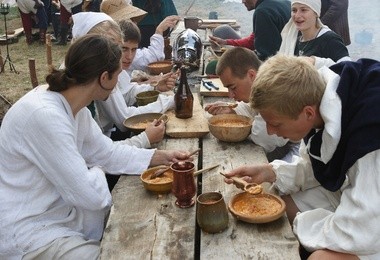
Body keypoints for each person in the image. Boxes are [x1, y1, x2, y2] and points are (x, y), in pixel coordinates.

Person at [0, 34, 192, 259]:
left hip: (59, 215)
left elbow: (106, 152)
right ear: (104, 78)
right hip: (28, 232)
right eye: (118, 74)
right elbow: (90, 194)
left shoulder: (74, 107)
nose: (120, 81)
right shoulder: (44, 116)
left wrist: (159, 156)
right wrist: (96, 169)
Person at [222, 53, 380, 259]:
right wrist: (269, 172)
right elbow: (319, 163)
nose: (270, 131)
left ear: (307, 113)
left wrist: (301, 222)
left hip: (371, 221)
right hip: (362, 195)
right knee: (278, 199)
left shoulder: (370, 137)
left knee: (320, 258)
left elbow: (359, 231)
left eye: (276, 123)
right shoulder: (320, 98)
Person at [71, 12, 176, 140]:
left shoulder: (100, 71)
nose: (124, 56)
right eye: (121, 49)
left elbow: (125, 92)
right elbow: (125, 119)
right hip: (109, 135)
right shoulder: (96, 79)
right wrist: (169, 101)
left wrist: (154, 87)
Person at [205, 47, 298, 162]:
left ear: (251, 75)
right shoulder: (262, 79)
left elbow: (264, 139)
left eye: (233, 87)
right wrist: (233, 111)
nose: (230, 95)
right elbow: (253, 108)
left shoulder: (273, 88)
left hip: (299, 151)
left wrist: (239, 127)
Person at [209, 0, 291, 61]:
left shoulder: (262, 12)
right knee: (222, 30)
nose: (242, 1)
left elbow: (265, 56)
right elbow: (252, 41)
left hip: (279, 64)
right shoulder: (284, 2)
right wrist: (225, 42)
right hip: (291, 57)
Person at [279, 0, 349, 62]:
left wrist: (316, 62)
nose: (297, 16)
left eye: (303, 10)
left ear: (316, 13)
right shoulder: (294, 42)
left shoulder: (330, 40)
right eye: (294, 10)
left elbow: (348, 69)